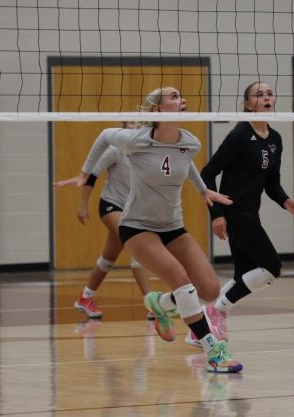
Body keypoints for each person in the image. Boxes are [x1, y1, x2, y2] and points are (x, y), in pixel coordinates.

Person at [75, 87, 241, 373]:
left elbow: (184, 162)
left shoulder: (191, 143)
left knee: (210, 288)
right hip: (137, 226)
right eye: (175, 96)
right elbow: (104, 135)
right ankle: (213, 350)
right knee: (183, 282)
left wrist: (203, 191)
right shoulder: (135, 139)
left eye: (181, 95)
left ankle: (160, 304)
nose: (183, 99)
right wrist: (86, 172)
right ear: (158, 110)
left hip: (173, 225)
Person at [198, 81, 294, 345]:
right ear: (247, 104)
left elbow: (271, 183)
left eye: (270, 94)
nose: (267, 98)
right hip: (234, 212)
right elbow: (208, 173)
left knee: (241, 275)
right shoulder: (239, 135)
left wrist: (285, 201)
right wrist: (217, 215)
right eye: (259, 95)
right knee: (271, 267)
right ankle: (217, 310)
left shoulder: (276, 139)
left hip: (250, 212)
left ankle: (199, 328)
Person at [54, 120, 151, 320]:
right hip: (111, 206)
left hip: (131, 210)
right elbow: (91, 175)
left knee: (108, 259)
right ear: (123, 128)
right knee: (137, 249)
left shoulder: (145, 152)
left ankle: (85, 297)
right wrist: (82, 205)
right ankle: (153, 305)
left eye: (139, 124)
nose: (135, 126)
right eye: (131, 123)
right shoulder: (115, 150)